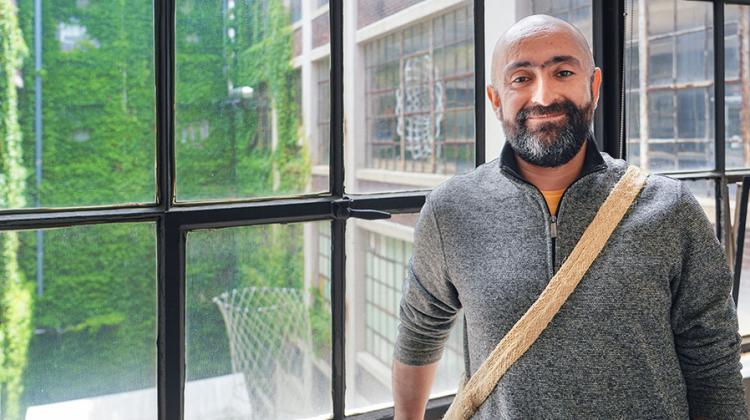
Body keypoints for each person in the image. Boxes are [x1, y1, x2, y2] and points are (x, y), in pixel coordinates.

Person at [392, 14, 748, 419]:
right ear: (495, 100)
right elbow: (420, 332)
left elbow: (713, 358)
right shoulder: (450, 211)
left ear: (593, 86)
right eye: (521, 78)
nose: (543, 96)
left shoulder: (670, 208)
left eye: (562, 72)